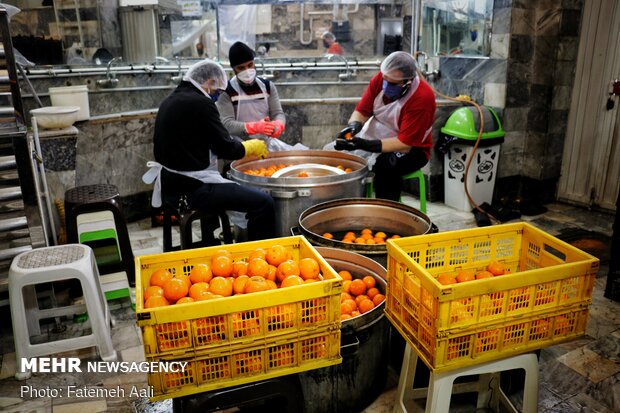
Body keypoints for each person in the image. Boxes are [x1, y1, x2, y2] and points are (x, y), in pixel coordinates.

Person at [144, 59, 276, 241]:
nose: (215, 95)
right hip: (192, 189)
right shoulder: (201, 103)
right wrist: (249, 147)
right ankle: (258, 258)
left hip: (171, 183)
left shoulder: (172, 99)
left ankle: (209, 240)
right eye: (216, 91)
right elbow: (226, 149)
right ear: (210, 82)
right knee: (263, 202)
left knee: (222, 184)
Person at [333, 51, 436, 201]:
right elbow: (362, 111)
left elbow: (404, 144)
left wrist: (364, 145)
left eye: (393, 83)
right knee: (338, 156)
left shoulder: (422, 98)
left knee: (387, 166)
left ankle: (387, 211)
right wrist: (354, 126)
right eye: (385, 80)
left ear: (408, 81)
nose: (386, 85)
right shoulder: (380, 80)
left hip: (413, 149)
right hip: (377, 135)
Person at [217, 41, 286, 146]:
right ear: (233, 69)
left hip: (265, 143)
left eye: (250, 65)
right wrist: (254, 127)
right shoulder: (227, 92)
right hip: (239, 147)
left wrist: (278, 124)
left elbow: (277, 113)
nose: (247, 70)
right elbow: (227, 124)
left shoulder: (267, 87)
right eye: (241, 68)